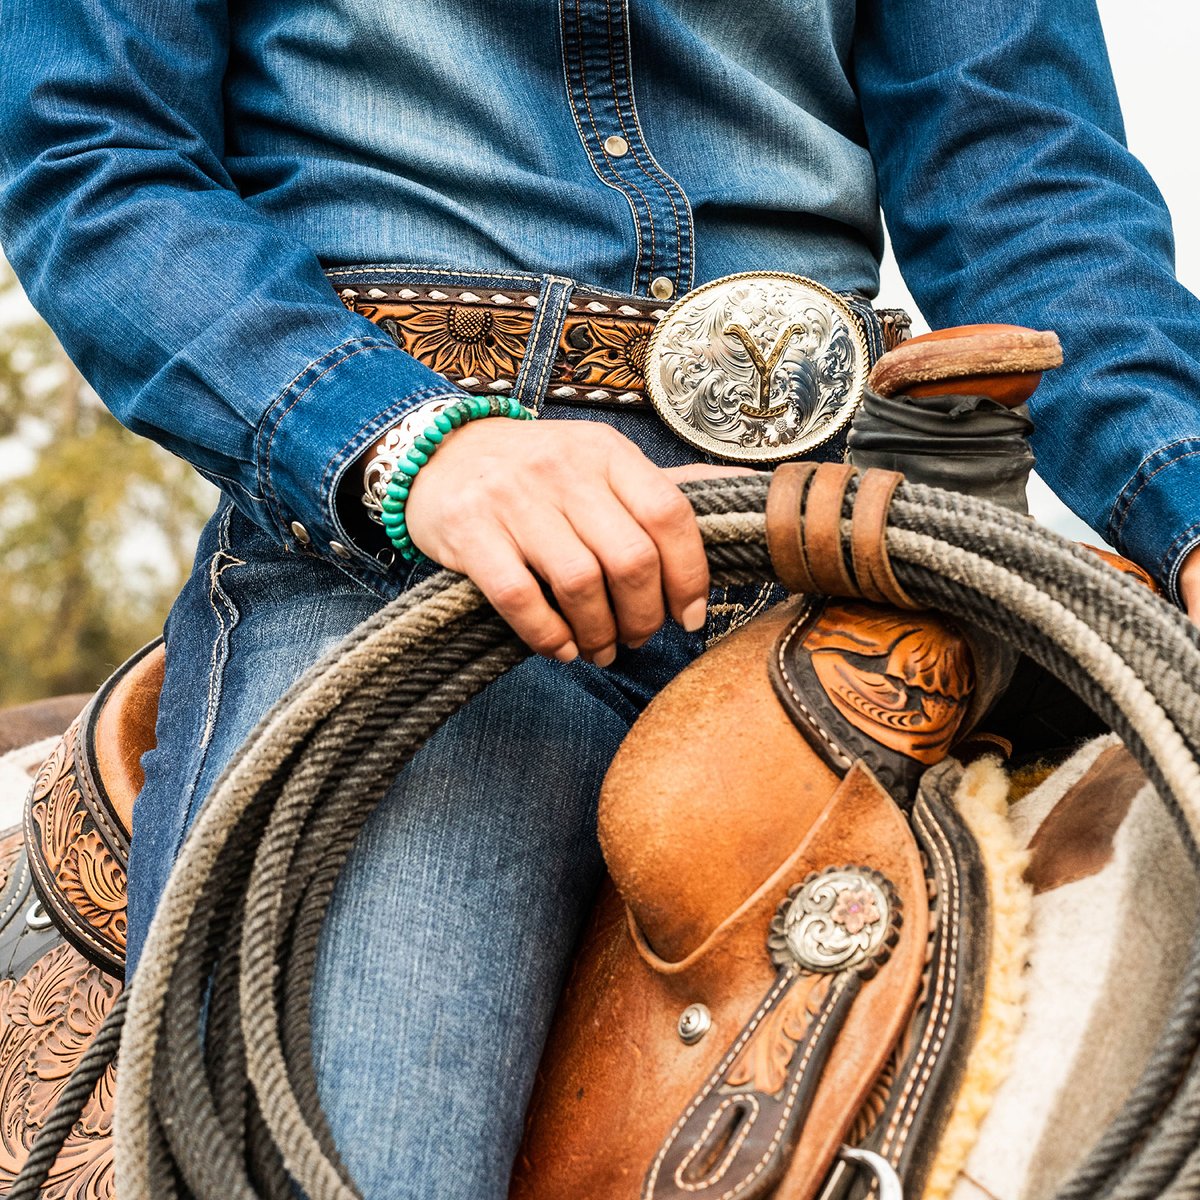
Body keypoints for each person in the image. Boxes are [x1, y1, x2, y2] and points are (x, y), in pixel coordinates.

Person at [3, 1, 1200, 1196]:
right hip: (404, 554)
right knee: (359, 1152)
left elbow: (1030, 188)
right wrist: (409, 442)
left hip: (829, 536)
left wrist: (1186, 507)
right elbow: (95, 157)